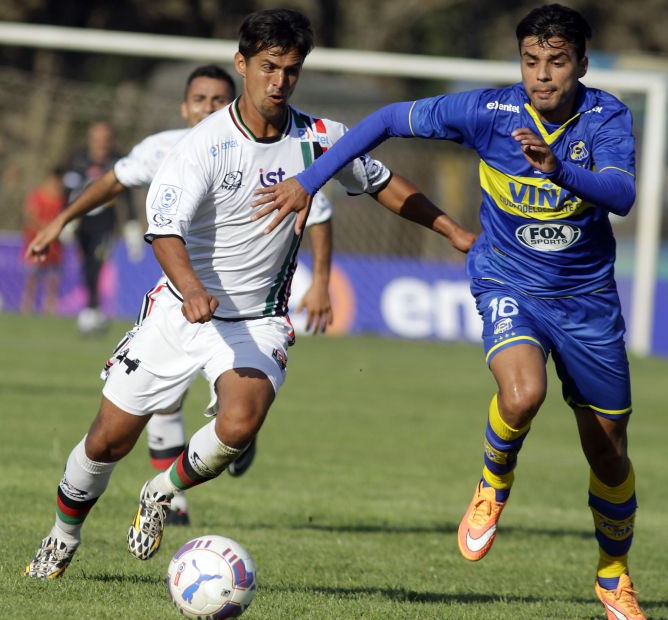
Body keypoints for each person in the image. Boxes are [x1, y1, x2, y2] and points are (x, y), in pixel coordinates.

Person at [24, 8, 473, 581]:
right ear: (242, 64)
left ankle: (160, 490)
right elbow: (164, 230)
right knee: (106, 442)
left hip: (257, 319)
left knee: (240, 424)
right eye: (268, 67)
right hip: (180, 312)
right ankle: (62, 536)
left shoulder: (320, 138)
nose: (279, 81)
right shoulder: (203, 145)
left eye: (291, 70)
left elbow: (382, 183)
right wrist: (191, 290)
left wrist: (452, 230)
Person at [252, 5, 644, 618]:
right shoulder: (489, 111)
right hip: (507, 279)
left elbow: (622, 194)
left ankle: (613, 574)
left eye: (557, 62)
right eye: (531, 61)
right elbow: (386, 119)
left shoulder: (606, 117)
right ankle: (494, 478)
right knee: (522, 395)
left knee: (609, 451)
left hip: (586, 300)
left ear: (582, 65)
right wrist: (310, 180)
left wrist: (558, 169)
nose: (542, 75)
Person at [25, 63, 337, 527]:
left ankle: (194, 469)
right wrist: (61, 220)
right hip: (182, 300)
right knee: (150, 409)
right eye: (199, 100)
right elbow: (112, 181)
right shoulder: (166, 148)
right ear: (184, 107)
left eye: (217, 100)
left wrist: (322, 283)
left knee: (237, 414)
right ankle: (156, 507)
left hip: (250, 312)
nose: (208, 108)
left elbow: (320, 210)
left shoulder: (281, 149)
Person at [64, 121, 136, 335]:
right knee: (86, 263)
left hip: (105, 222)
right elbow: (68, 190)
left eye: (105, 138)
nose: (101, 143)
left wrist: (131, 222)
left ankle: (92, 308)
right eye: (97, 138)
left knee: (97, 261)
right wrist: (64, 219)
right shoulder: (78, 160)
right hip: (81, 222)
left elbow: (127, 194)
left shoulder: (118, 161)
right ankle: (91, 306)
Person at [20, 168, 66, 314]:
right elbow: (29, 217)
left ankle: (50, 309)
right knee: (32, 279)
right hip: (37, 243)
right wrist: (46, 228)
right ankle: (27, 307)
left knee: (53, 281)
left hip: (55, 247)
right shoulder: (38, 196)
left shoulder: (62, 199)